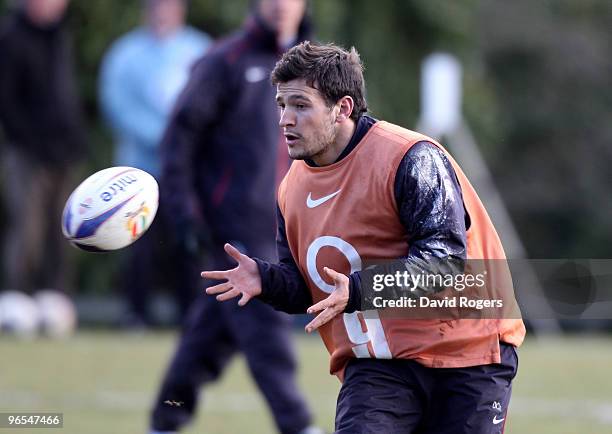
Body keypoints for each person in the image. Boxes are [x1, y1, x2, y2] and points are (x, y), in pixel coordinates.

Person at [203, 42, 527, 433]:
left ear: (342, 108)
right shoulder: (291, 189)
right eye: (281, 104)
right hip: (380, 364)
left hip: (468, 352)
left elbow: (444, 262)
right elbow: (314, 289)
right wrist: (266, 280)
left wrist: (358, 290)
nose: (285, 119)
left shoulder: (411, 157)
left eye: (301, 105)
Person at [150, 1, 322, 433]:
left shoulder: (317, 66)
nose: (281, 5)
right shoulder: (223, 62)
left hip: (291, 226)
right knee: (263, 324)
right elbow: (177, 143)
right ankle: (298, 424)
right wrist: (183, 213)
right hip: (234, 227)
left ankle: (165, 420)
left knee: (208, 338)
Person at [99, 0, 211, 326]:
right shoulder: (125, 54)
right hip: (138, 168)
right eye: (156, 6)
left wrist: (184, 141)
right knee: (138, 245)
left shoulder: (200, 50)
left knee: (188, 240)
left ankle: (191, 313)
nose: (162, 12)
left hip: (187, 169)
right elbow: (117, 106)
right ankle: (135, 313)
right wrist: (164, 137)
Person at [0, 0, 87, 294]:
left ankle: (57, 296)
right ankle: (18, 296)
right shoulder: (11, 37)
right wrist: (31, 142)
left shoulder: (60, 34)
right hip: (29, 154)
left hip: (65, 152)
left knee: (64, 232)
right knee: (28, 230)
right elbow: (7, 102)